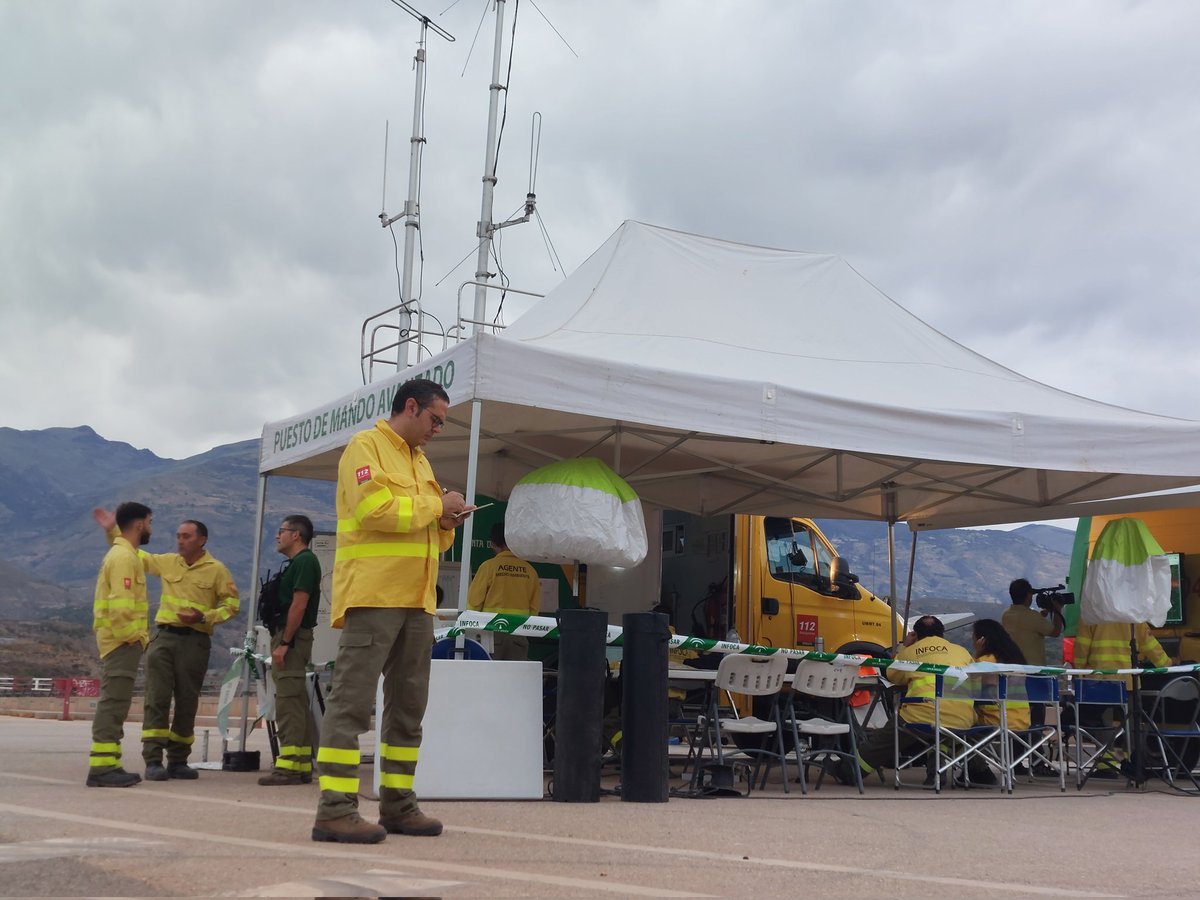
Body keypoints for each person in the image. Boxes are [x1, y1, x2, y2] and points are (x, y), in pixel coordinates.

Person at [312, 378, 469, 844]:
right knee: (353, 704)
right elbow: (375, 510)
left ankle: (399, 806)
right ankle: (335, 811)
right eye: (435, 420)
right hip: (375, 598)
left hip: (417, 601)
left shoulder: (419, 461)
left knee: (408, 707)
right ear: (411, 406)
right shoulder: (366, 447)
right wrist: (434, 505)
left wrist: (447, 521)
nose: (438, 429)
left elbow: (430, 534)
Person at [94, 508, 240, 780]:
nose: (180, 541)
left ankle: (178, 760)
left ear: (202, 540)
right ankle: (153, 760)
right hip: (164, 639)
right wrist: (112, 531)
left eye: (186, 536)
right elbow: (132, 555)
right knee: (156, 699)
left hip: (195, 641)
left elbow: (232, 605)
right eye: (178, 536)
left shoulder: (217, 570)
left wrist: (205, 616)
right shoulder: (168, 562)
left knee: (187, 701)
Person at [856, 616, 974, 780]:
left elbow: (892, 675)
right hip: (963, 717)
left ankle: (851, 771)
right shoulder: (962, 652)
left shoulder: (911, 651)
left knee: (882, 743)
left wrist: (904, 646)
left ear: (915, 635)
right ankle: (938, 772)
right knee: (944, 733)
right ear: (942, 634)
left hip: (922, 715)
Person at [87, 501, 153, 787]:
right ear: (139, 524)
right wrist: (132, 637)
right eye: (149, 522)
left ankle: (109, 762)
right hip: (121, 642)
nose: (150, 527)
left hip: (119, 641)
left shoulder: (124, 552)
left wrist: (111, 530)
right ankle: (102, 769)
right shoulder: (124, 558)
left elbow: (122, 544)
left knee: (117, 702)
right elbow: (121, 605)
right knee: (114, 703)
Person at [259, 514, 322, 786]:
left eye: (282, 530)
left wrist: (284, 643)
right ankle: (299, 763)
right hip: (290, 636)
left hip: (292, 638)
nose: (278, 535)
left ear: (296, 535)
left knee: (288, 701)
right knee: (293, 700)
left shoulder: (305, 561)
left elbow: (299, 604)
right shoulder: (298, 563)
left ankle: (289, 767)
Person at [466, 521, 540, 661]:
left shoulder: (488, 567)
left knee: (491, 678)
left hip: (492, 635)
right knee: (516, 678)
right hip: (519, 634)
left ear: (493, 543)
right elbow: (534, 608)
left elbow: (473, 603)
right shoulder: (530, 570)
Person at [971, 618, 1030, 732]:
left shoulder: (985, 661)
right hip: (1022, 722)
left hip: (995, 722)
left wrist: (977, 654)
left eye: (973, 637)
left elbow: (971, 688)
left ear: (981, 640)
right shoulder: (1016, 660)